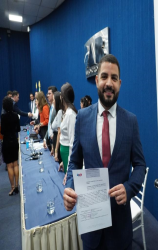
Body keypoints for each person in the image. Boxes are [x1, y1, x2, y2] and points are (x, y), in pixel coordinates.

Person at [63, 54, 146, 250]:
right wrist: (71, 187)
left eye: (114, 78)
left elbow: (140, 165)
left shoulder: (131, 122)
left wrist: (129, 187)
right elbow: (74, 162)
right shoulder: (82, 118)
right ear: (97, 80)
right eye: (104, 76)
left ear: (120, 83)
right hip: (91, 223)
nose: (109, 83)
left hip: (120, 226)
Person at [1, 97, 20, 195]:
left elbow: (2, 131)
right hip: (14, 142)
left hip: (7, 143)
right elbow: (18, 129)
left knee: (9, 165)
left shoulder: (3, 117)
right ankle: (17, 185)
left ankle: (12, 187)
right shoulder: (16, 116)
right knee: (15, 164)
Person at [57, 83, 77, 176]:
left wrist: (69, 168)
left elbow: (72, 144)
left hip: (67, 153)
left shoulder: (70, 114)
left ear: (63, 97)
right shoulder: (66, 113)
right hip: (65, 155)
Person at [43, 86, 58, 152]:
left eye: (49, 94)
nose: (47, 95)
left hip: (55, 140)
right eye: (47, 94)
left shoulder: (57, 109)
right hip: (51, 140)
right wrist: (45, 139)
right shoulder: (51, 107)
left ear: (54, 94)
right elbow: (49, 124)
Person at [51, 91, 63, 166]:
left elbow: (59, 132)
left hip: (58, 143)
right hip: (55, 141)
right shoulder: (57, 112)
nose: (53, 102)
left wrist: (56, 150)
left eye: (54, 100)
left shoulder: (60, 113)